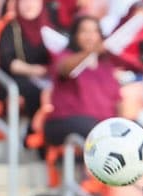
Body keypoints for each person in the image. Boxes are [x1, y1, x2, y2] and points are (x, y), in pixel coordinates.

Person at [44, 16, 122, 147]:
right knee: (97, 132)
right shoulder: (64, 56)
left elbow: (117, 100)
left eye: (94, 32)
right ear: (75, 35)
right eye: (84, 31)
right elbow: (64, 69)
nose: (90, 36)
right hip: (66, 121)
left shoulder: (106, 66)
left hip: (102, 123)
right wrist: (91, 52)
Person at [0, 0, 53, 124]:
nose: (29, 5)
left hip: (49, 77)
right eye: (24, 2)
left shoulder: (49, 26)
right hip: (18, 78)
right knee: (35, 92)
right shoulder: (12, 28)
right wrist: (37, 70)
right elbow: (8, 61)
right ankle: (34, 129)